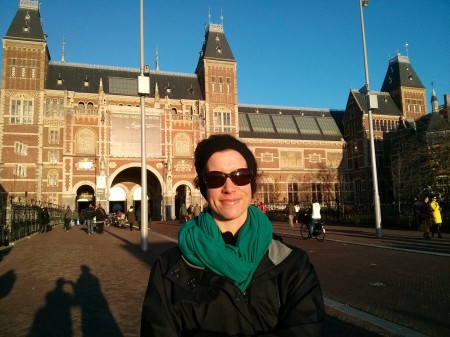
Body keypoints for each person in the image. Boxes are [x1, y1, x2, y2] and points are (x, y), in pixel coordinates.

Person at [141, 134, 324, 336]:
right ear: (204, 188)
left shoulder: (292, 264)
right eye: (215, 178)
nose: (229, 188)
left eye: (241, 175)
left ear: (252, 184)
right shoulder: (169, 268)